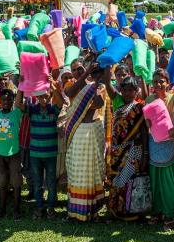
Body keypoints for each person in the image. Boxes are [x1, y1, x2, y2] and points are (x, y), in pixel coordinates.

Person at [64, 63, 110, 222]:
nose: (78, 72)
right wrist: (86, 74)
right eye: (75, 69)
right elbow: (69, 92)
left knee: (92, 169)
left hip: (93, 130)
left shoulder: (99, 87)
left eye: (81, 69)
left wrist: (97, 81)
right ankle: (76, 210)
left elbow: (98, 104)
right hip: (79, 131)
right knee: (78, 170)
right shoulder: (73, 85)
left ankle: (92, 210)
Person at [145, 68, 174, 231]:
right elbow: (147, 120)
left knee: (170, 179)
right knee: (156, 179)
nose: (158, 84)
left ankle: (169, 212)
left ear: (168, 83)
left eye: (162, 81)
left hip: (171, 143)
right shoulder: (149, 99)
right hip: (155, 143)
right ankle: (157, 211)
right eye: (155, 81)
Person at [106, 76, 147, 221]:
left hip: (133, 151)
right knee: (116, 180)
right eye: (125, 90)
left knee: (129, 180)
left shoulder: (139, 108)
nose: (128, 93)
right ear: (120, 90)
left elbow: (143, 132)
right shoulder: (118, 107)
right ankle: (117, 209)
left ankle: (132, 211)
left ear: (136, 91)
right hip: (117, 151)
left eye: (131, 90)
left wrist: (145, 154)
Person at [17, 83, 59, 220]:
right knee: (37, 183)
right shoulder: (32, 110)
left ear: (50, 96)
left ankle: (51, 208)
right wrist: (21, 85)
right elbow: (18, 103)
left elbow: (64, 102)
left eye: (46, 97)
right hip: (35, 154)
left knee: (51, 182)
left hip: (51, 154)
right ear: (37, 98)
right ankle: (39, 207)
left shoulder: (54, 110)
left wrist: (52, 86)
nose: (44, 100)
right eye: (40, 97)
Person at [0, 88, 23, 219]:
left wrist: (21, 79)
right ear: (0, 101)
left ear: (13, 101)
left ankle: (16, 209)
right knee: (2, 182)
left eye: (9, 99)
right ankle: (2, 209)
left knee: (16, 183)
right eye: (3, 99)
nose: (6, 101)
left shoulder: (16, 113)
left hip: (14, 153)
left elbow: (20, 97)